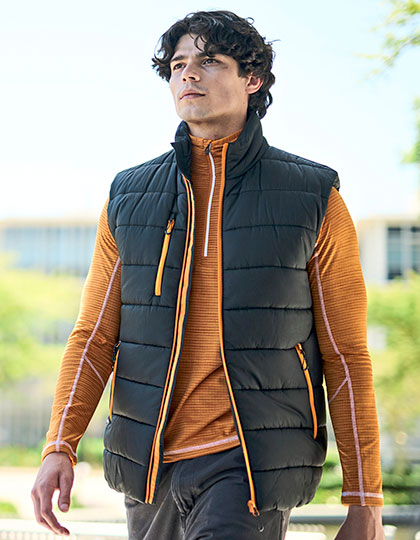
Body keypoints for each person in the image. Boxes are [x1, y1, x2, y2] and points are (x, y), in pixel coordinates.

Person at [31, 10, 385, 540]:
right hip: (149, 466)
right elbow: (94, 336)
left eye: (210, 61)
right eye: (178, 65)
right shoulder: (128, 197)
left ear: (252, 79)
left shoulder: (313, 198)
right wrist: (59, 445)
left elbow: (346, 354)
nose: (189, 74)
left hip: (248, 466)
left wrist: (364, 499)